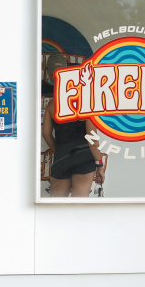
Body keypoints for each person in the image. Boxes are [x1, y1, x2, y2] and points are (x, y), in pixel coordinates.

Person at [41, 56, 105, 197]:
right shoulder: (85, 103)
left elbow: (46, 133)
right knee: (79, 206)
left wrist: (60, 150)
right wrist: (99, 165)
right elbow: (92, 139)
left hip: (62, 158)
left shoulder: (52, 105)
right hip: (83, 158)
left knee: (57, 207)